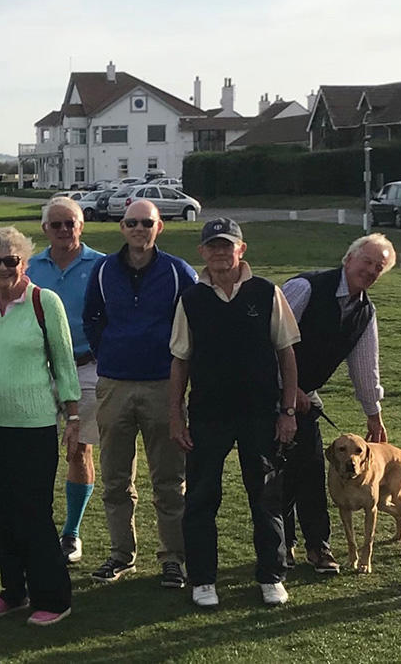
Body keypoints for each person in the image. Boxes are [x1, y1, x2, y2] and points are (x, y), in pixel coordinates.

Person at [168, 218, 300, 608]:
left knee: (265, 496)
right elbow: (180, 361)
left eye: (228, 245)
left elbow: (287, 354)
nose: (221, 252)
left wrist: (288, 410)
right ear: (202, 252)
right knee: (202, 498)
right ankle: (203, 579)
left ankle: (271, 575)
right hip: (208, 414)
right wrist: (175, 416)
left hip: (261, 413)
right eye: (214, 246)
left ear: (242, 250)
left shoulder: (266, 292)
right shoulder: (191, 299)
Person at [0, 226, 78, 627]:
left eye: (11, 261)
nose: (3, 268)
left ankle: (54, 597)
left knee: (33, 512)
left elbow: (64, 364)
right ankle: (14, 591)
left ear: (25, 262)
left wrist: (73, 418)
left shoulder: (45, 302)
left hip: (33, 425)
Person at [83, 200, 197, 587]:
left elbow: (194, 321)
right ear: (122, 227)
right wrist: (110, 353)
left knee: (168, 479)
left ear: (159, 227)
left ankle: (173, 557)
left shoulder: (178, 271)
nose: (138, 229)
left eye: (146, 223)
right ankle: (121, 554)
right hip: (114, 384)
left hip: (163, 385)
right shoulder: (102, 270)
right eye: (131, 222)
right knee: (115, 478)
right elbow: (92, 318)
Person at [280, 233, 397, 575]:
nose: (372, 270)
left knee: (314, 471)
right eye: (368, 261)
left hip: (304, 400)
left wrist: (374, 417)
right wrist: (290, 389)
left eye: (380, 267)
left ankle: (318, 548)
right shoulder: (305, 288)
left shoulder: (365, 311)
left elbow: (365, 366)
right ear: (349, 259)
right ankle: (281, 546)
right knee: (277, 475)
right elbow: (264, 339)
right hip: (268, 393)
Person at [26, 198, 105, 565]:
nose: (63, 230)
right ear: (44, 229)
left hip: (86, 367)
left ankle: (71, 532)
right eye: (55, 225)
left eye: (70, 223)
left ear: (81, 226)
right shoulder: (28, 267)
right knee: (33, 453)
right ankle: (25, 531)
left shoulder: (102, 265)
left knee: (79, 449)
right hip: (37, 369)